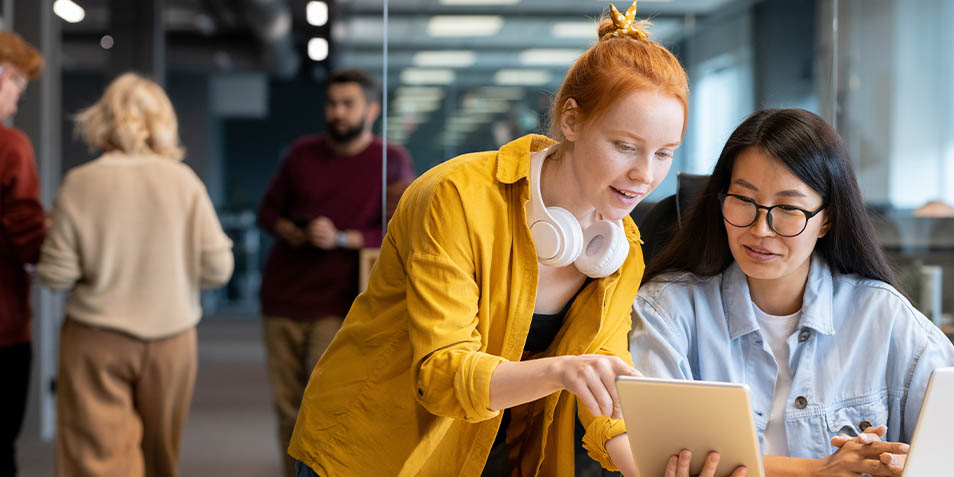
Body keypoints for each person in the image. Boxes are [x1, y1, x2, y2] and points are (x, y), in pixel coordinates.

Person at [288, 3, 745, 476]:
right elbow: (441, 375)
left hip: (489, 452)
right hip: (375, 450)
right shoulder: (456, 197)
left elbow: (605, 396)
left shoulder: (618, 246)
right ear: (570, 120)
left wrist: (651, 470)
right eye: (625, 147)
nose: (644, 175)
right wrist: (561, 370)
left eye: (664, 154)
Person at [631, 109, 954, 476]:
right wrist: (817, 470)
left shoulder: (882, 317)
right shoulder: (666, 311)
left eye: (787, 208)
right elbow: (651, 456)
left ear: (827, 219)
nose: (760, 229)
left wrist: (916, 465)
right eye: (743, 200)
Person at [36, 73, 234, 477]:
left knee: (94, 459)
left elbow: (55, 276)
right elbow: (219, 269)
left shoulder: (80, 183)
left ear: (102, 119)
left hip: (96, 337)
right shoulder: (185, 182)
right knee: (161, 455)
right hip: (172, 339)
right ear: (164, 122)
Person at [257, 67, 416, 477]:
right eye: (332, 104)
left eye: (348, 104)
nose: (338, 113)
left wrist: (343, 238)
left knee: (325, 404)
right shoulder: (302, 154)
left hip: (341, 303)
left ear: (372, 110)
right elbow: (269, 213)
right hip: (283, 297)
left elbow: (401, 230)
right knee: (286, 406)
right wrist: (295, 231)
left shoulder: (391, 159)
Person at [0, 31, 46, 477]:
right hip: (4, 324)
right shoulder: (10, 146)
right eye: (20, 87)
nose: (17, 100)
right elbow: (29, 236)